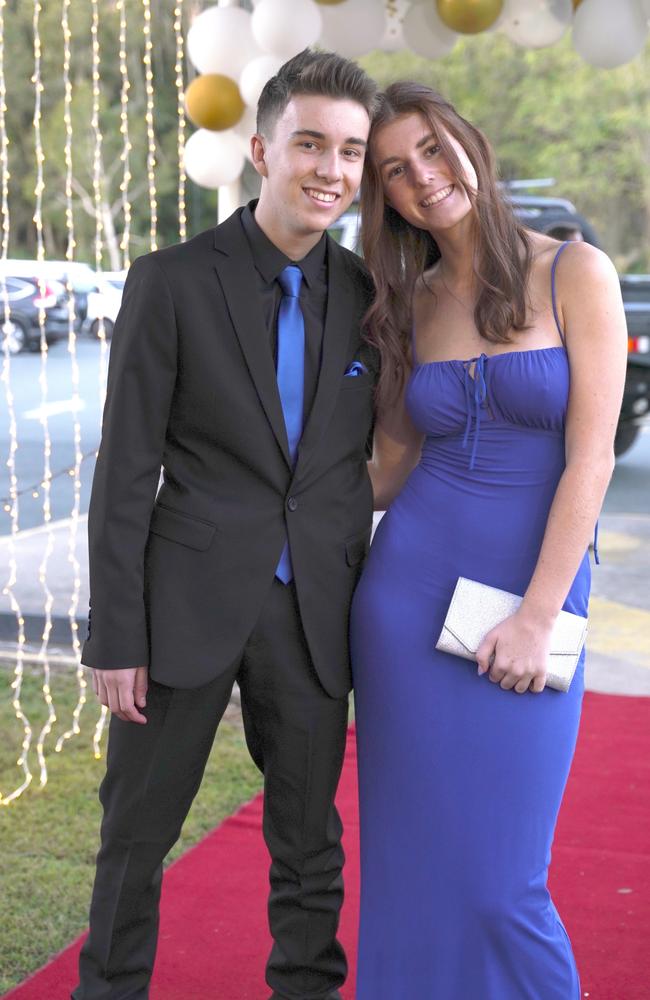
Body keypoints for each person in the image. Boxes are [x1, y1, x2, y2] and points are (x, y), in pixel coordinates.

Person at [73, 50, 378, 1000]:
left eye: (352, 151)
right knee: (136, 832)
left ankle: (306, 988)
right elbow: (125, 471)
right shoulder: (169, 281)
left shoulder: (371, 297)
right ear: (261, 150)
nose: (331, 168)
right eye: (311, 144)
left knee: (309, 837)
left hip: (314, 613)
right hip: (181, 610)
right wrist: (114, 633)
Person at [350, 82, 627, 999]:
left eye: (432, 148)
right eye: (396, 170)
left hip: (534, 601)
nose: (424, 178)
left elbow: (590, 463)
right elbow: (388, 468)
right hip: (406, 600)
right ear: (384, 197)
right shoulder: (410, 301)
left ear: (468, 142)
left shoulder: (573, 272)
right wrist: (247, 493)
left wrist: (539, 613)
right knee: (409, 864)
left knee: (505, 884)